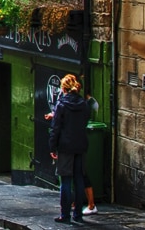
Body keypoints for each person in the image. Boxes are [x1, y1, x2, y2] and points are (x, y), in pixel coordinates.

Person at [49, 74, 91, 224]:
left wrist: (52, 147)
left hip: (65, 147)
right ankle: (78, 215)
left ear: (64, 88)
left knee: (65, 181)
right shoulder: (83, 104)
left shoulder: (61, 105)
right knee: (79, 180)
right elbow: (85, 121)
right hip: (80, 145)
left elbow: (56, 128)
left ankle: (65, 214)